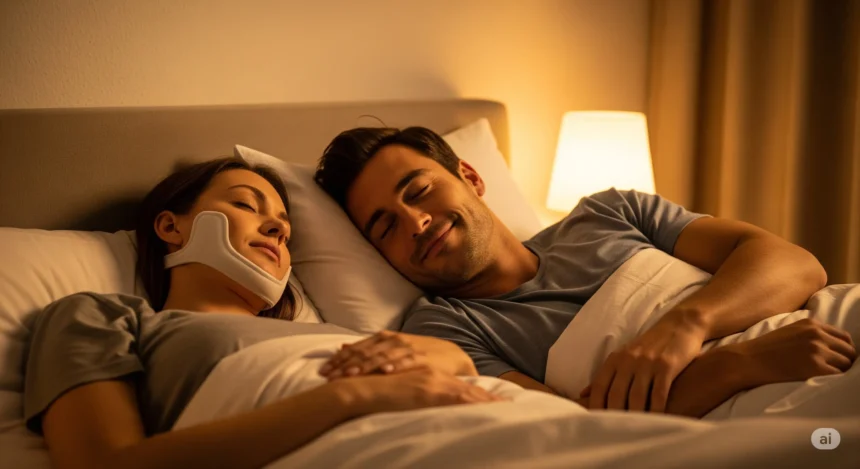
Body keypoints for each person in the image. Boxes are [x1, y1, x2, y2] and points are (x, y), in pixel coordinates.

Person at [314, 126, 858, 418]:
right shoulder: (444, 328)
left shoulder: (609, 211)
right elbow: (574, 428)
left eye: (419, 190)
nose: (415, 220)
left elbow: (795, 263)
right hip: (769, 396)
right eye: (385, 227)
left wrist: (684, 326)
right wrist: (734, 364)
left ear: (471, 176)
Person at [23, 157, 503, 469]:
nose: (276, 227)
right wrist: (352, 397)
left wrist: (442, 354)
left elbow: (458, 367)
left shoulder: (334, 333)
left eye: (285, 227)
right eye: (245, 205)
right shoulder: (102, 316)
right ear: (171, 226)